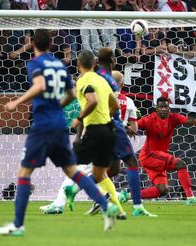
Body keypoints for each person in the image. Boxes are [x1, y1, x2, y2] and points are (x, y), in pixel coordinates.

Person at [0, 29, 118, 236]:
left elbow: (40, 85)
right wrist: (57, 108)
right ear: (51, 44)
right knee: (73, 171)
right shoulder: (60, 65)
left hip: (42, 125)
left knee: (24, 173)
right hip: (59, 124)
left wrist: (17, 101)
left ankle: (17, 225)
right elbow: (70, 94)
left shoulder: (35, 63)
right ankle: (106, 206)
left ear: (32, 43)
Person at [66, 48, 155, 218]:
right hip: (111, 127)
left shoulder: (93, 77)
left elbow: (86, 103)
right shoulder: (108, 81)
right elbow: (105, 104)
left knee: (110, 170)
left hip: (99, 127)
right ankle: (136, 206)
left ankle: (77, 189)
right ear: (113, 60)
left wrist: (80, 129)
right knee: (130, 163)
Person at [118, 95, 196, 205]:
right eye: (161, 107)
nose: (163, 109)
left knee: (162, 190)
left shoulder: (174, 117)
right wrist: (124, 124)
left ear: (168, 108)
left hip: (158, 158)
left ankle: (127, 196)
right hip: (149, 155)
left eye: (165, 107)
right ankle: (190, 198)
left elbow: (191, 120)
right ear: (156, 108)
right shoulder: (148, 119)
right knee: (181, 164)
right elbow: (132, 129)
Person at [68, 49, 122, 221]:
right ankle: (119, 211)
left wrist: (79, 118)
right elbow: (116, 105)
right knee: (99, 175)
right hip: (109, 131)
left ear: (78, 64)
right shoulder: (103, 80)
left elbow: (92, 101)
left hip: (95, 131)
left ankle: (102, 198)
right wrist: (105, 114)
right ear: (94, 63)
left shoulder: (84, 80)